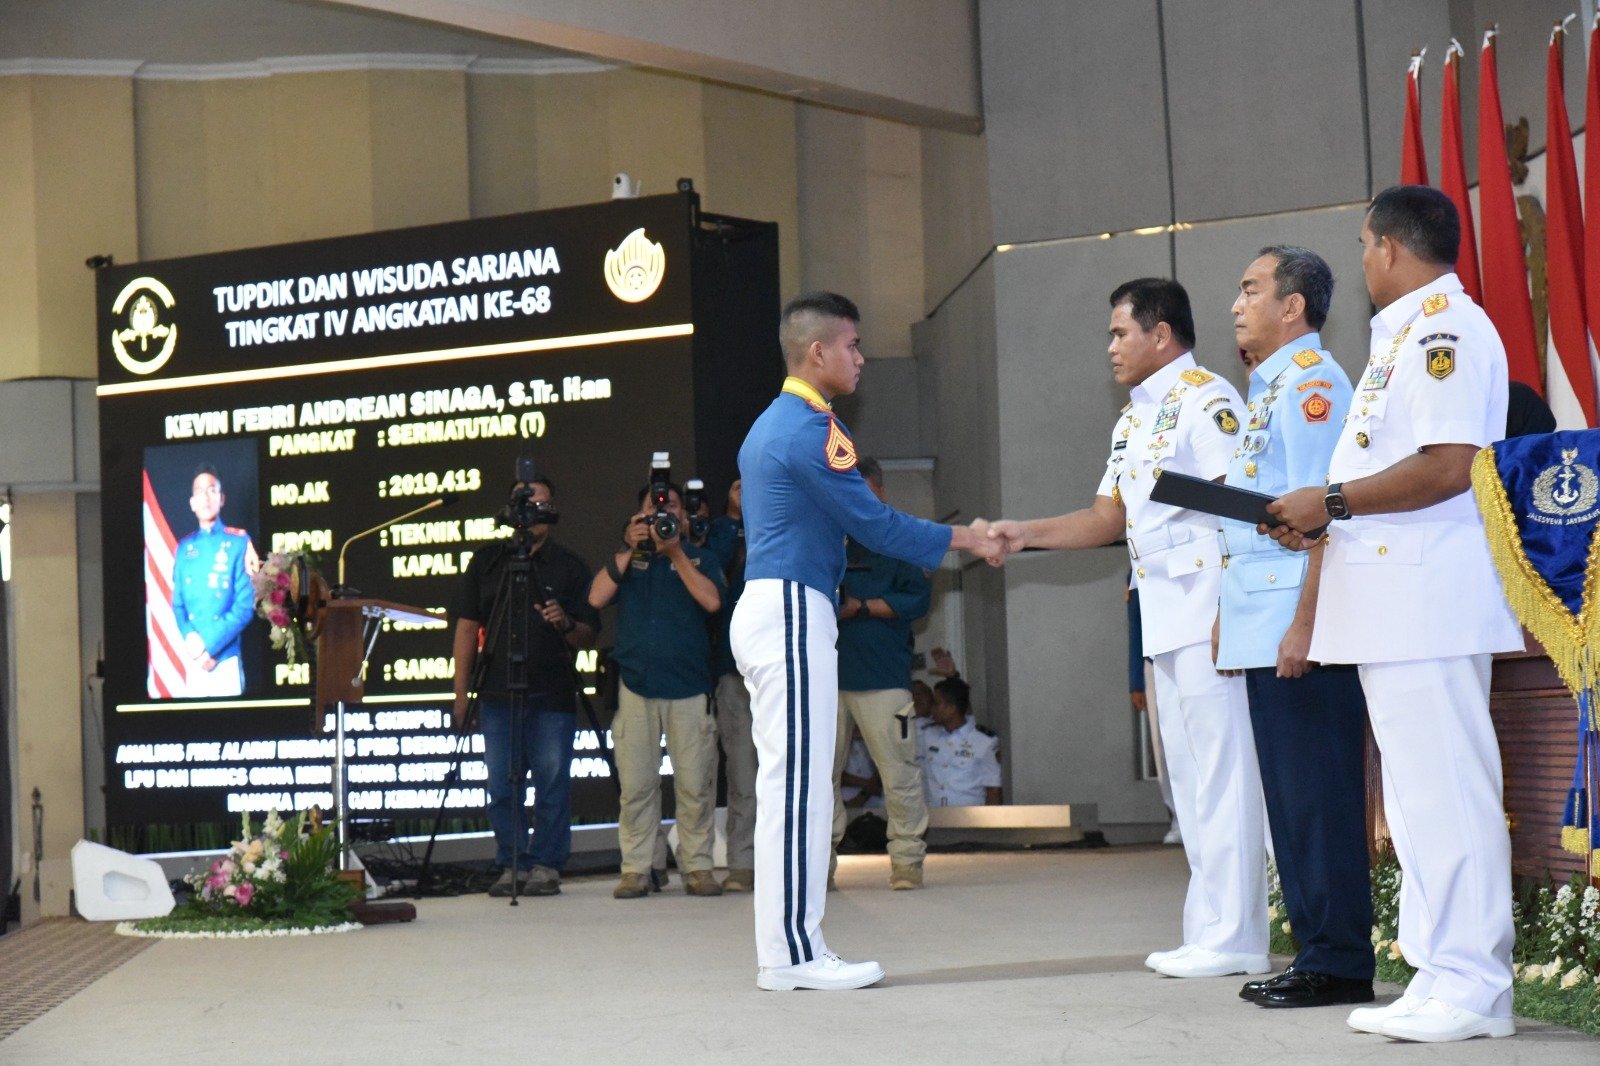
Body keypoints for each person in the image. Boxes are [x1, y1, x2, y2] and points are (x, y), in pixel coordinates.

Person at [1265, 185, 1523, 1042]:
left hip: (1430, 601)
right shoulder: (1400, 338)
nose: (1365, 258)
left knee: (1448, 792)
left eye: (1365, 246)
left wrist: (1329, 499)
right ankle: (1439, 970)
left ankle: (1477, 984)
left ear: (1386, 249)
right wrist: (1323, 514)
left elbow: (1451, 465)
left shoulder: (1446, 331)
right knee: (1416, 802)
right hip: (1393, 604)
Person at [990, 278, 1270, 980]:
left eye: (1121, 333)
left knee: (1224, 777)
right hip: (1162, 618)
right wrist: (1024, 534)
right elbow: (1106, 519)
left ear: (1162, 335)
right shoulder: (1132, 420)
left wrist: (1227, 613)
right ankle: (1208, 928)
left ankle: (1238, 935)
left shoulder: (1208, 398)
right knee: (1186, 781)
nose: (1111, 347)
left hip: (1208, 614)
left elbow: (1247, 505)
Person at [731, 290, 1004, 992]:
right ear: (816, 352)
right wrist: (966, 536)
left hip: (781, 606)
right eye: (852, 345)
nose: (860, 358)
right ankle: (793, 953)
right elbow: (876, 526)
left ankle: (787, 950)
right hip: (792, 609)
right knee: (798, 790)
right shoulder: (810, 428)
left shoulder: (773, 423)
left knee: (793, 785)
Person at [1211, 246, 1373, 1010]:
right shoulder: (1268, 389)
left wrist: (1307, 626)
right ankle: (1317, 949)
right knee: (1291, 797)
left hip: (1295, 625)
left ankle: (1339, 959)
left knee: (1318, 796)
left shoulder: (1312, 386)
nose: (1236, 304)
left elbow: (1321, 519)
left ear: (1293, 307)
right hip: (1262, 618)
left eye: (1251, 290)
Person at [450, 477, 598, 897]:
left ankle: (547, 864)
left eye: (542, 504)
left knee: (552, 782)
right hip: (495, 693)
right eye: (525, 503)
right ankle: (511, 861)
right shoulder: (487, 562)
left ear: (552, 511)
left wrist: (565, 622)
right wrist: (461, 694)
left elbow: (587, 633)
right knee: (501, 783)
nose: (533, 513)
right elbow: (465, 627)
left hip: (552, 692)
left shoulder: (570, 566)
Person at [590, 481, 726, 900]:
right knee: (636, 785)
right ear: (637, 520)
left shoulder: (702, 557)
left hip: (688, 686)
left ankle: (698, 866)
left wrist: (675, 553)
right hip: (637, 685)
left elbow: (712, 602)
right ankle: (636, 868)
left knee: (694, 784)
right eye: (651, 512)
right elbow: (596, 597)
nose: (662, 518)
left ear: (684, 518)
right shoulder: (626, 561)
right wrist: (631, 548)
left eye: (671, 512)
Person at [830, 456, 934, 891]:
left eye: (864, 488)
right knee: (822, 780)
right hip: (828, 679)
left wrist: (863, 608)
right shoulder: (828, 537)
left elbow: (917, 598)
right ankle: (821, 867)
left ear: (881, 490)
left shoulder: (901, 538)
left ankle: (907, 859)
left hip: (884, 678)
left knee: (899, 773)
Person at [706, 481, 756, 893]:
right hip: (734, 668)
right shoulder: (719, 530)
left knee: (792, 772)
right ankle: (743, 862)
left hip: (784, 666)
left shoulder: (786, 522)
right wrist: (737, 519)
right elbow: (714, 581)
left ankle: (797, 863)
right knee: (743, 771)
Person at [171, 463, 257, 697]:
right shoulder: (184, 548)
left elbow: (244, 607)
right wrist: (192, 642)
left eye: (212, 490)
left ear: (221, 498)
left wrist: (209, 646)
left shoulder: (239, 543)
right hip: (193, 660)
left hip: (225, 661)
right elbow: (178, 605)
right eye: (199, 492)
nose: (206, 497)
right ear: (192, 502)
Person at [1128, 584, 1179, 845]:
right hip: (1154, 659)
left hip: (1194, 647)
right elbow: (1135, 623)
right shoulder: (1135, 564)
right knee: (1162, 745)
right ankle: (1177, 816)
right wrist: (1136, 680)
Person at [918, 678, 1001, 806]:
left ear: (951, 708)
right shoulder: (927, 734)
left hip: (970, 820)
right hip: (934, 818)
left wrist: (991, 824)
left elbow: (993, 789)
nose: (932, 708)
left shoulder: (985, 741)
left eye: (936, 703)